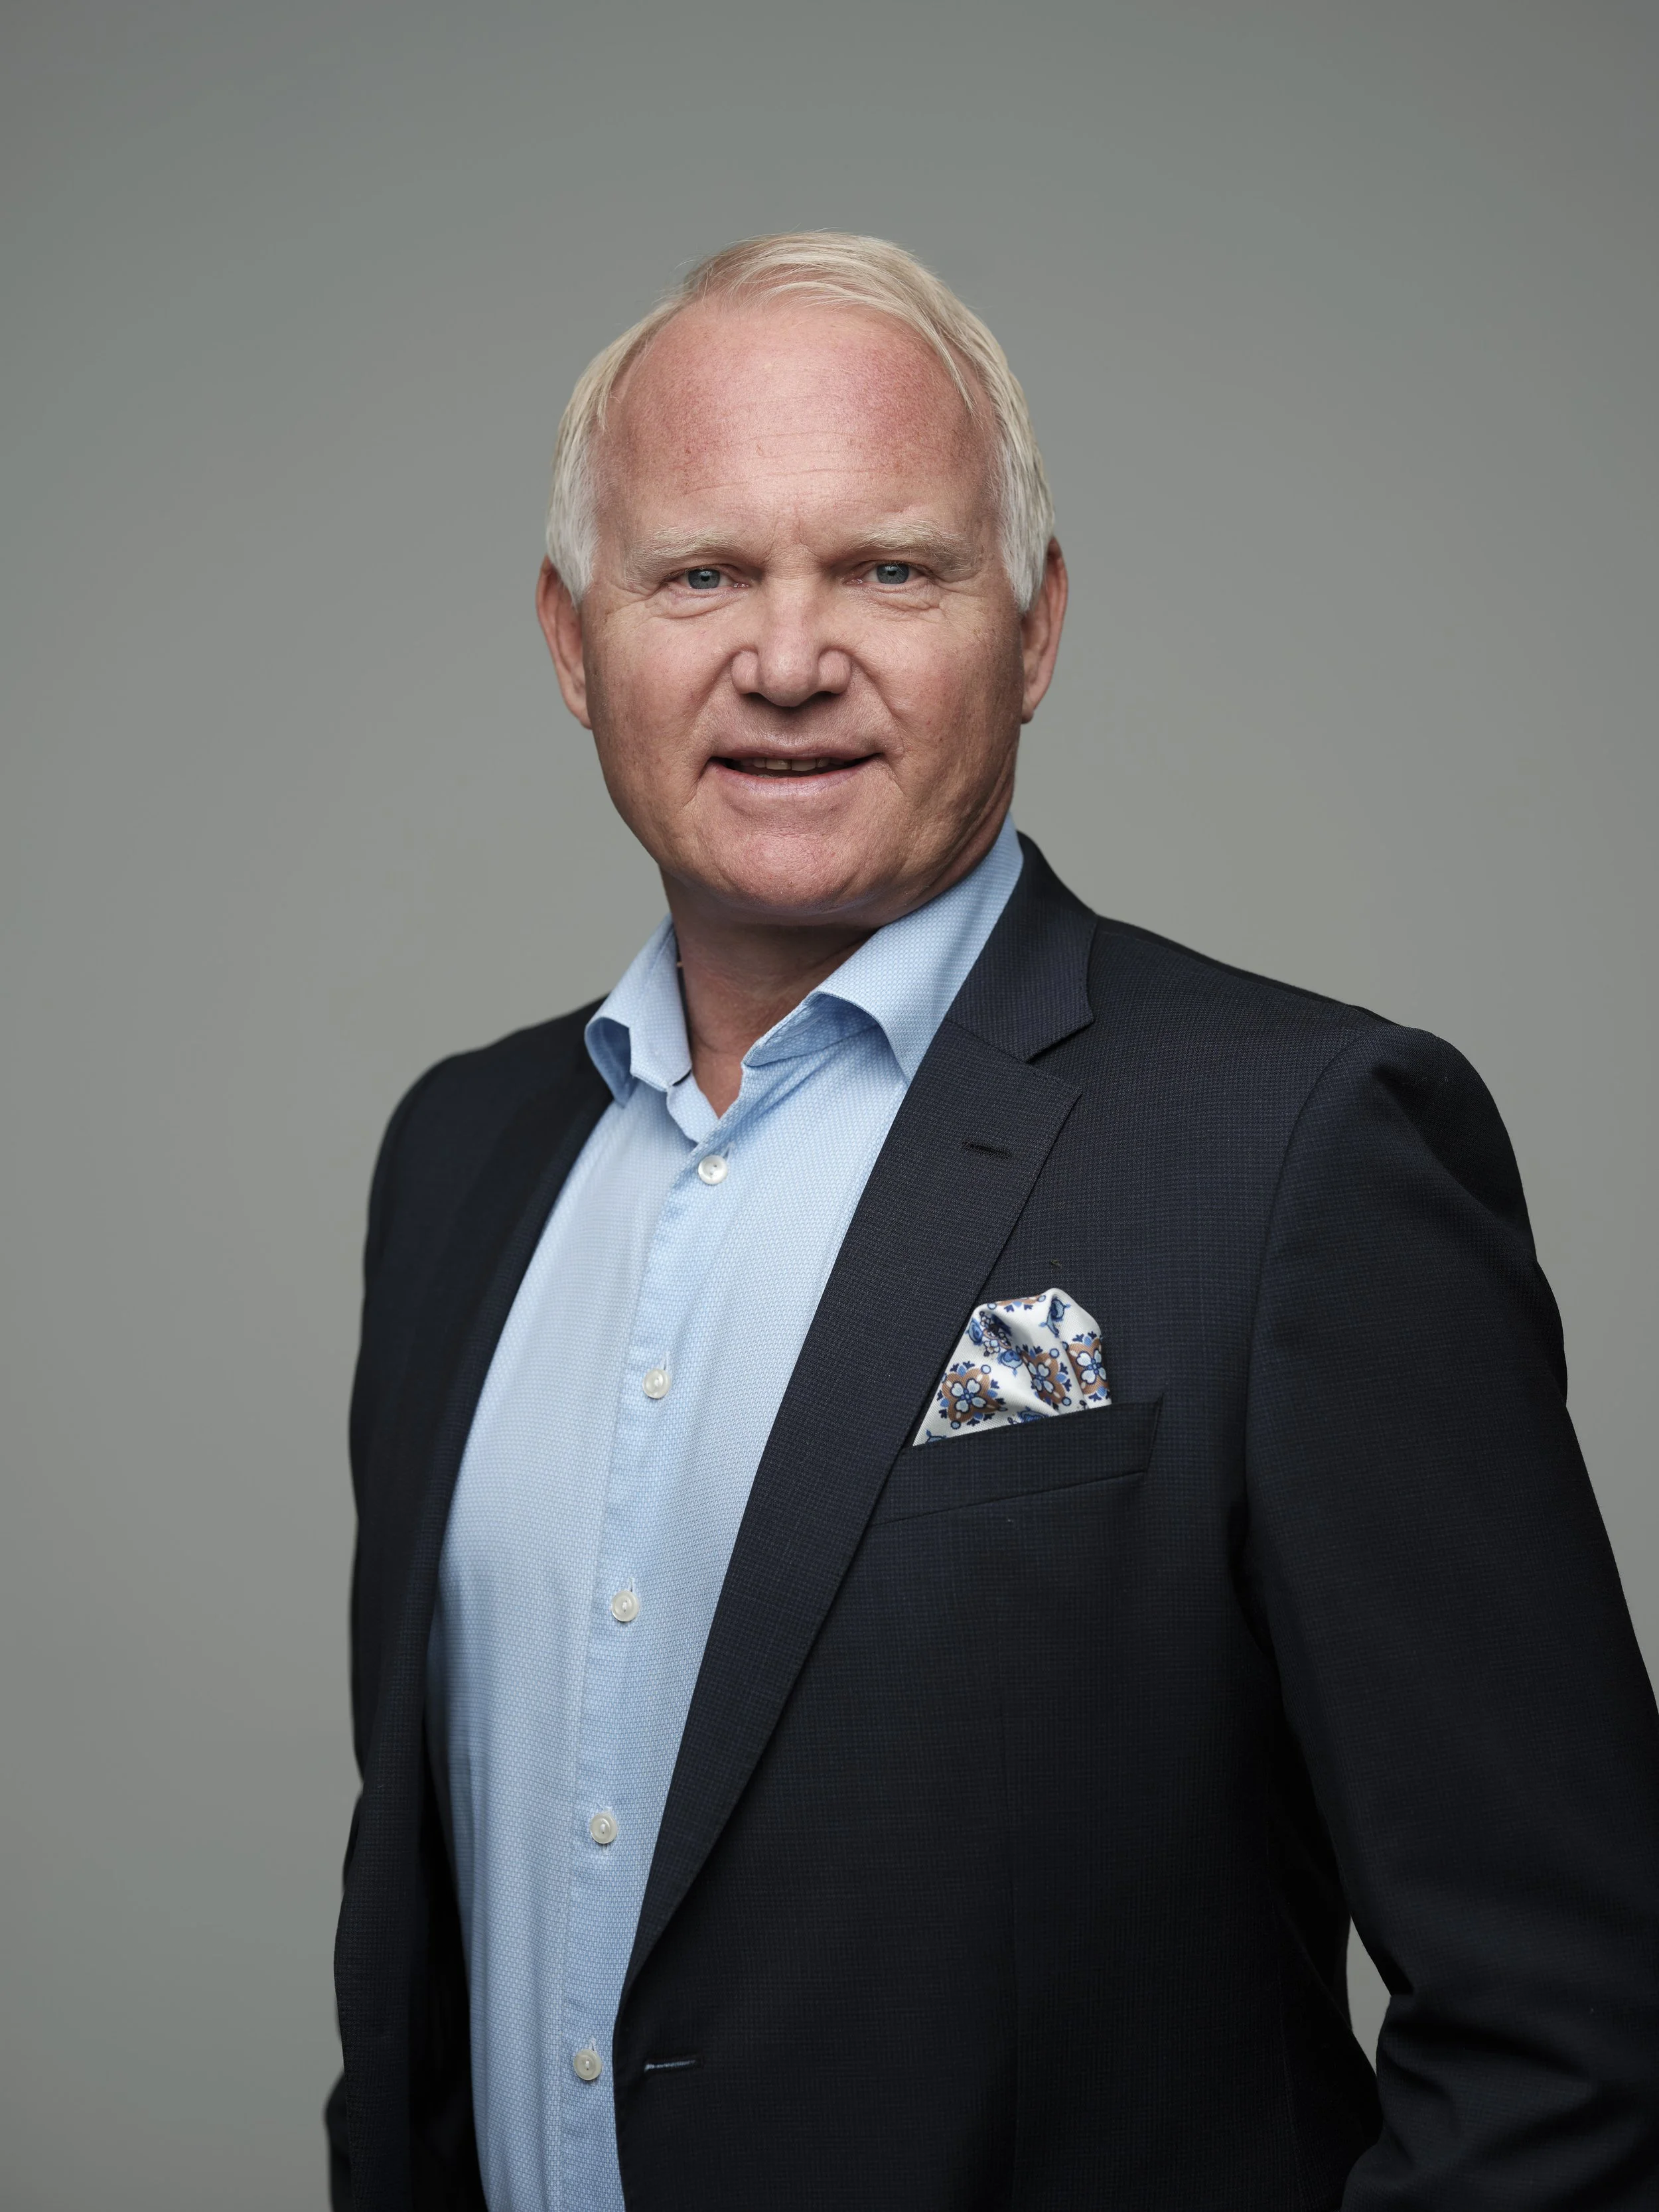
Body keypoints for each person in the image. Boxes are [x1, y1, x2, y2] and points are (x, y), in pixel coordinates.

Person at [327, 234, 1659, 2212]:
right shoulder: (461, 1158)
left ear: (1031, 627)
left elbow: (1578, 2030)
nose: (786, 658)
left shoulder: (1297, 1152)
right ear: (569, 636)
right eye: (699, 573)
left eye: (889, 567)